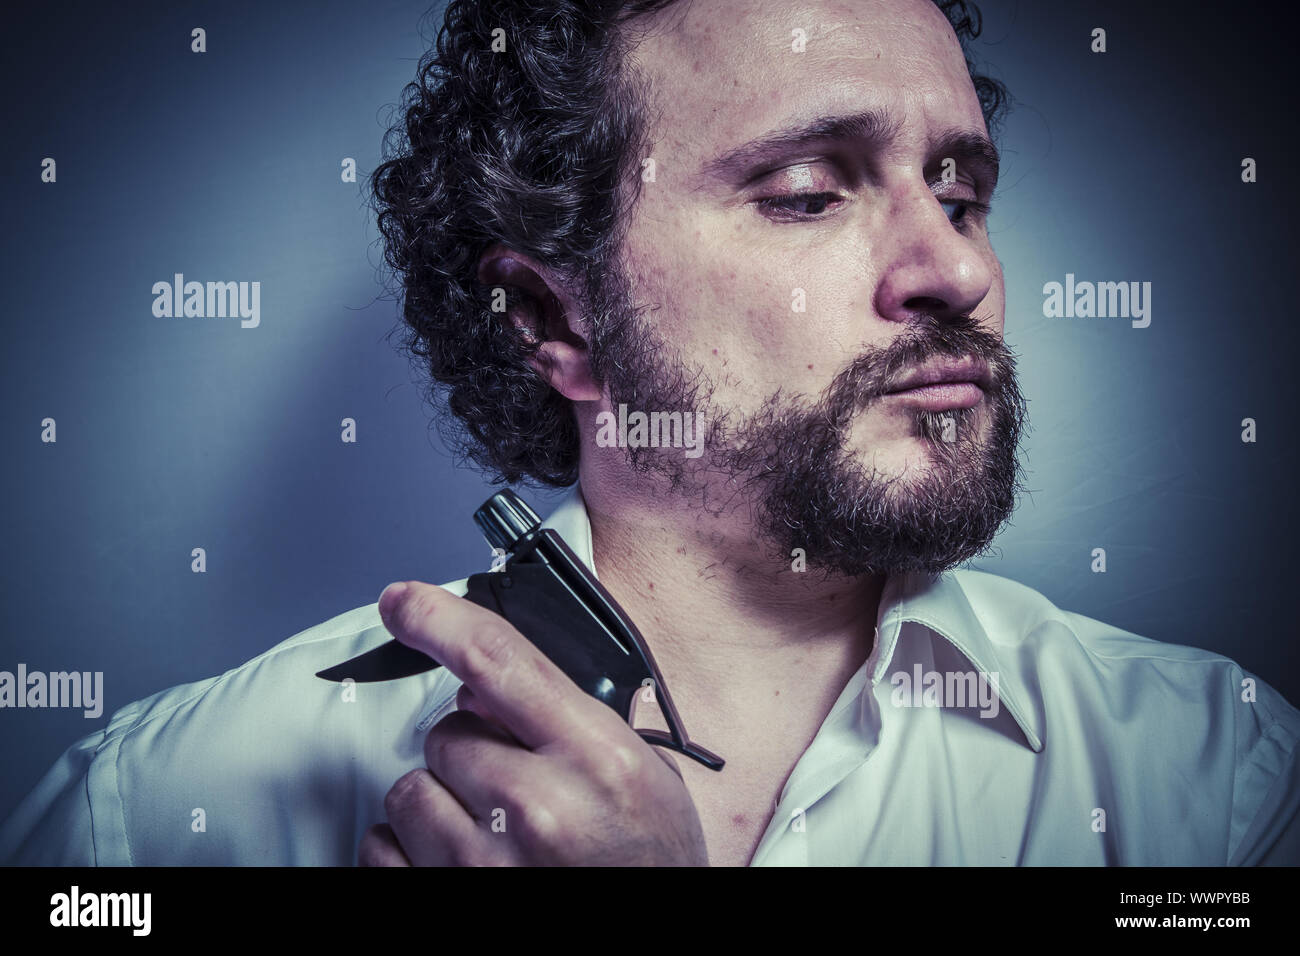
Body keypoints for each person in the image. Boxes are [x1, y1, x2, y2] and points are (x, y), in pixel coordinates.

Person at [3, 0, 1297, 866]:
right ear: (552, 317)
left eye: (960, 192)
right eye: (805, 193)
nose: (951, 269)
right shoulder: (163, 815)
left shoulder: (1210, 776)